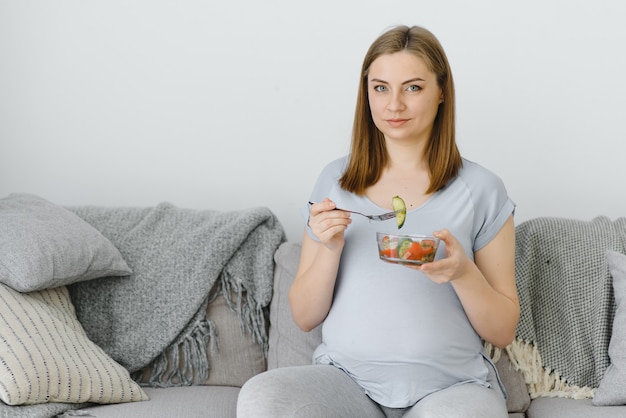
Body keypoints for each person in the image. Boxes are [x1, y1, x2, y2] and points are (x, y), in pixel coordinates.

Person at [237, 24, 519, 418]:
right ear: (366, 92)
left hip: (451, 388)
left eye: (413, 87)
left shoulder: (481, 188)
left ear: (441, 93)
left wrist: (462, 273)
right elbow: (304, 317)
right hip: (346, 383)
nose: (394, 105)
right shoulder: (335, 183)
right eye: (381, 88)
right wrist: (330, 249)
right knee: (263, 397)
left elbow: (503, 330)